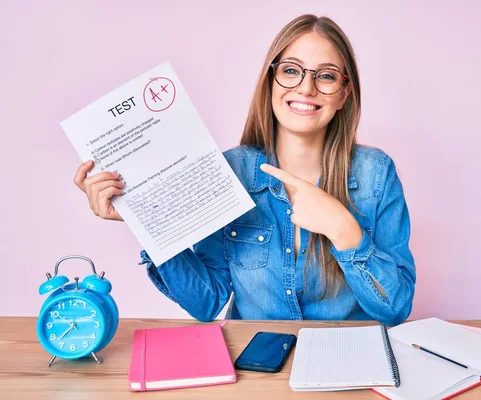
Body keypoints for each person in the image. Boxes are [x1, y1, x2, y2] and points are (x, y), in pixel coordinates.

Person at [74, 14, 416, 326]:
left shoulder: (377, 176)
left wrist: (343, 228)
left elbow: (396, 308)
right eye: (291, 70)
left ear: (344, 93)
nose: (307, 87)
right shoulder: (228, 171)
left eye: (325, 76)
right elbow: (207, 301)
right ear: (270, 81)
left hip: (346, 366)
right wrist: (145, 219)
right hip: (257, 371)